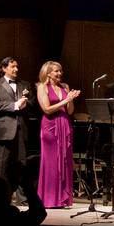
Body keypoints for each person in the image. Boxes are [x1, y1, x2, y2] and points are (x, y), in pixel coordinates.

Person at [0, 57, 35, 204]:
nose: (16, 69)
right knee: (2, 164)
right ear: (4, 68)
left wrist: (26, 103)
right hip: (4, 129)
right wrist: (14, 105)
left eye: (17, 66)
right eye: (12, 67)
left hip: (21, 129)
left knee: (21, 163)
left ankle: (22, 198)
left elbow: (33, 103)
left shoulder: (24, 84)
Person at [36, 61, 80, 208]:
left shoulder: (65, 87)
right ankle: (49, 199)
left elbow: (70, 111)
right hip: (50, 127)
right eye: (56, 71)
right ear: (48, 73)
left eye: (60, 71)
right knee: (51, 163)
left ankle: (62, 198)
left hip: (64, 125)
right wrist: (66, 100)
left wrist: (70, 100)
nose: (59, 73)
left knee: (65, 161)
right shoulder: (42, 87)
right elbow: (47, 109)